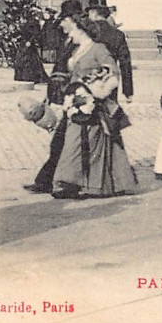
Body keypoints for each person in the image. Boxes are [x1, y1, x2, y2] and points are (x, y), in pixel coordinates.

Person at [51, 10, 136, 199]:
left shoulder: (99, 48)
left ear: (82, 30)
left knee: (91, 144)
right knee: (73, 141)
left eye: (72, 30)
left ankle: (90, 184)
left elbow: (112, 72)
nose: (69, 33)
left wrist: (96, 91)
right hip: (77, 104)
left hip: (94, 106)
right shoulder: (75, 50)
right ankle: (69, 181)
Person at [23, 0, 80, 194]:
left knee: (62, 142)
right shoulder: (69, 39)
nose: (61, 24)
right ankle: (48, 181)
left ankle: (52, 182)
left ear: (73, 19)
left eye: (64, 20)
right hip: (62, 96)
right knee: (60, 141)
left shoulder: (79, 41)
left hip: (73, 98)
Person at [86, 0, 134, 102]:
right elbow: (125, 63)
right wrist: (128, 91)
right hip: (110, 81)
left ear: (93, 13)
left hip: (88, 82)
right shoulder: (118, 35)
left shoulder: (86, 33)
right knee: (109, 113)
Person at [13, 14, 49, 84]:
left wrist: (30, 41)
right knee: (21, 59)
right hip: (24, 43)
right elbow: (23, 34)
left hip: (29, 45)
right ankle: (22, 77)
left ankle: (31, 77)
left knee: (31, 60)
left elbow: (35, 34)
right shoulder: (26, 23)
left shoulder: (32, 23)